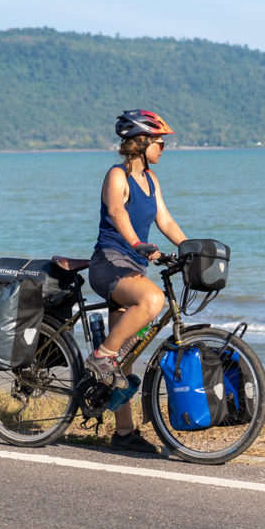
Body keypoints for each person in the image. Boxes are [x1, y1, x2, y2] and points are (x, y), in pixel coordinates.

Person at [87, 109, 187, 452]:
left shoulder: (152, 180)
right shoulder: (117, 176)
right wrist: (137, 244)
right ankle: (100, 356)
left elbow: (166, 221)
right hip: (109, 263)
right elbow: (116, 213)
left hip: (133, 266)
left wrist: (191, 248)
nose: (164, 148)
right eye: (160, 142)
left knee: (126, 355)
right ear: (141, 142)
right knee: (153, 300)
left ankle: (124, 433)